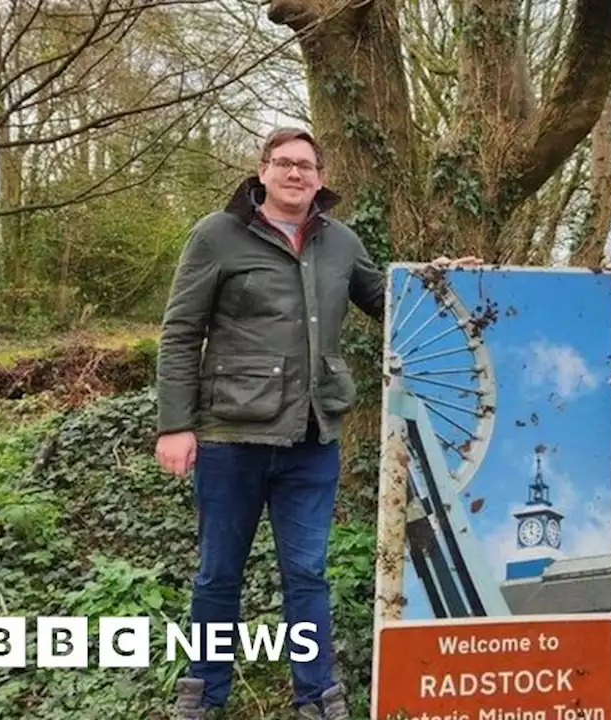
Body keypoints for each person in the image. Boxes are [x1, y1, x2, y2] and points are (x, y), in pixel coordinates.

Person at [154, 127, 472, 719]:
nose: (295, 174)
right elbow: (179, 333)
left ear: (321, 177)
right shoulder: (216, 235)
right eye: (284, 163)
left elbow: (390, 301)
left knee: (306, 572)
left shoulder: (341, 242)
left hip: (311, 439)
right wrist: (176, 424)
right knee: (218, 573)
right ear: (262, 170)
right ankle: (203, 690)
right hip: (230, 437)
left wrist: (439, 280)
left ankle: (317, 694)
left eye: (306, 165)